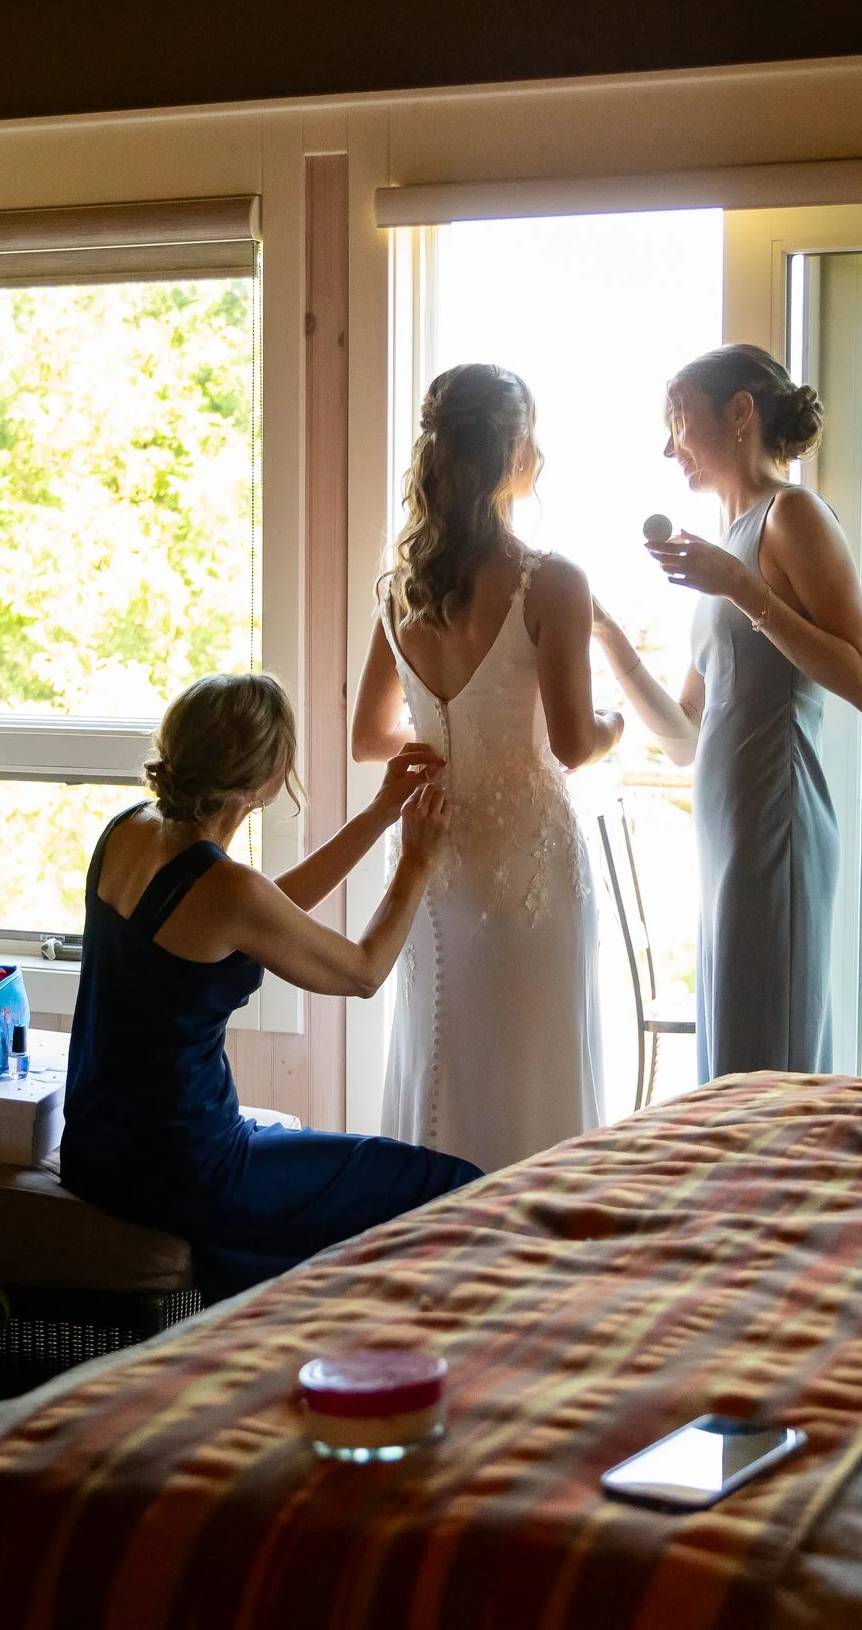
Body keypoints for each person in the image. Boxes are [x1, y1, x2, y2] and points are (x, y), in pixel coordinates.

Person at [60, 672, 481, 1301]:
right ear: (263, 784)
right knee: (452, 1184)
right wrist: (416, 859)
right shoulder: (227, 891)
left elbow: (260, 914)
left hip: (96, 1149)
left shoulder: (128, 830)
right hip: (187, 1166)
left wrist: (378, 813)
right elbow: (363, 971)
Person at [351, 363, 616, 1171]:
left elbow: (368, 734)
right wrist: (617, 723)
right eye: (531, 435)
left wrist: (445, 743)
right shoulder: (553, 582)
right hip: (529, 863)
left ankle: (422, 1232)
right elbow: (573, 746)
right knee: (532, 1074)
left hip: (436, 863)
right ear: (510, 453)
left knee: (443, 1062)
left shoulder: (401, 587)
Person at [594, 345, 862, 1084]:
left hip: (776, 826)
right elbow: (687, 736)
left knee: (766, 1069)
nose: (669, 445)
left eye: (679, 419)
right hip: (724, 840)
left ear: (740, 413)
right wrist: (607, 634)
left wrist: (743, 589)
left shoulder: (794, 515)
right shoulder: (725, 545)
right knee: (731, 1069)